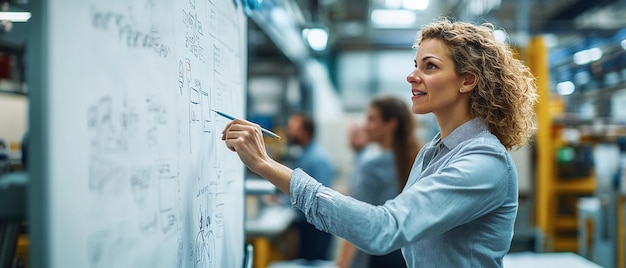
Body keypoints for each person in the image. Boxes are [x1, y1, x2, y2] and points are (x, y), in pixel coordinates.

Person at [221, 18, 537, 267]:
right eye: (415, 64)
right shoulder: (432, 153)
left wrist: (264, 164)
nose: (412, 76)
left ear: (468, 80)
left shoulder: (484, 162)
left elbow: (383, 229)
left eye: (430, 66)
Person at [336, 96, 420, 268]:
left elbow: (356, 220)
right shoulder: (418, 159)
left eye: (372, 119)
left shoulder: (373, 166)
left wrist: (342, 263)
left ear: (391, 124)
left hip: (377, 256)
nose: (366, 126)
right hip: (407, 255)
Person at [285, 112, 336, 261]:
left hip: (317, 229)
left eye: (292, 128)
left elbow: (319, 199)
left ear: (305, 132)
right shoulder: (306, 155)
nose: (288, 132)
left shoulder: (317, 159)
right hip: (309, 226)